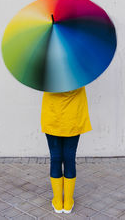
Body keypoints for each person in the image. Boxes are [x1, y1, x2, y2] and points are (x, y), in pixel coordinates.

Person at [41, 86, 92, 214]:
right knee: (69, 157)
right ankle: (68, 202)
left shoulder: (48, 71)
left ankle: (58, 202)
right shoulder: (77, 71)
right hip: (73, 118)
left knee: (56, 157)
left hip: (52, 117)